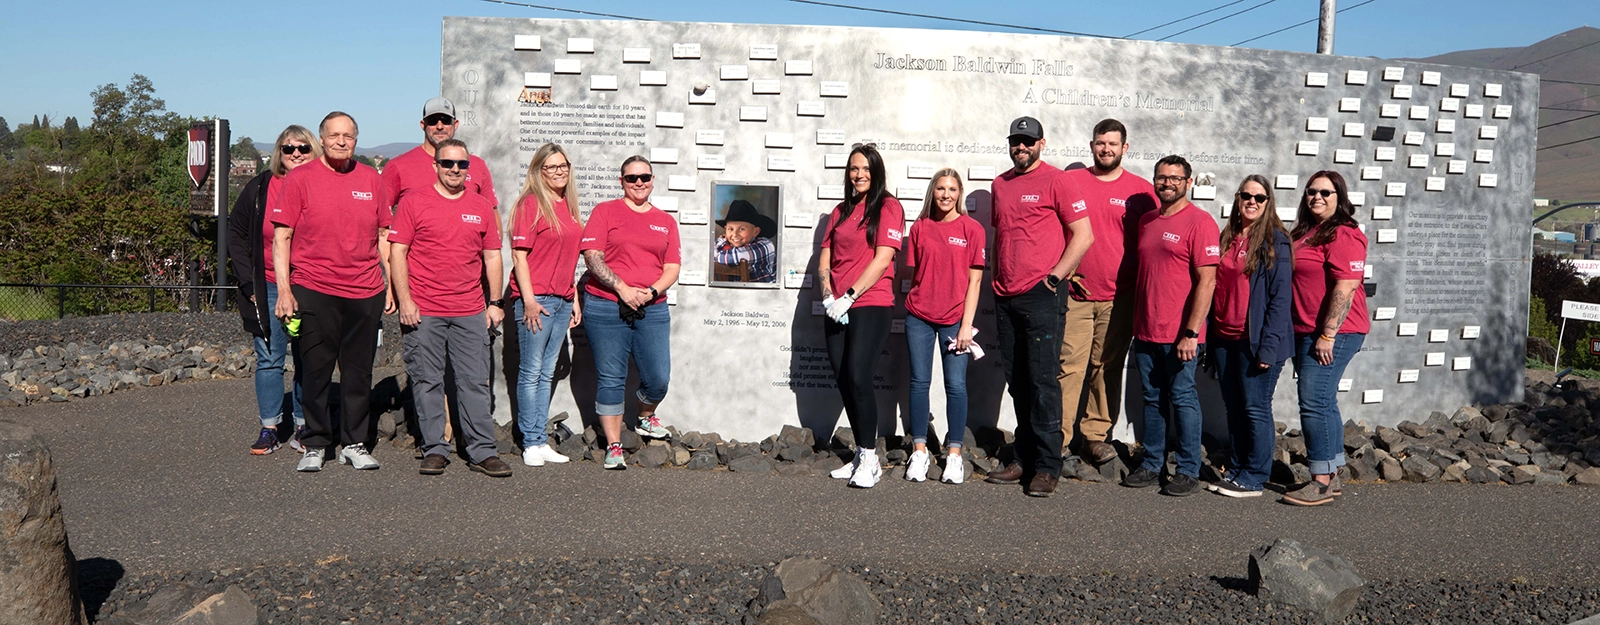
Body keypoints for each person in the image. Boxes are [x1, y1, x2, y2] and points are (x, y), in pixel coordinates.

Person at [271, 111, 393, 473]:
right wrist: (284, 290)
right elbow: (282, 236)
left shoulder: (371, 178)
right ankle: (316, 443)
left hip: (365, 289)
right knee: (315, 370)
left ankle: (354, 442)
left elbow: (384, 234)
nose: (341, 141)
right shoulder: (301, 179)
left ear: (357, 140)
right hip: (314, 288)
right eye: (335, 135)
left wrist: (389, 285)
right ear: (321, 139)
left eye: (349, 136)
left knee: (358, 373)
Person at [983, 117, 1093, 498]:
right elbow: (1003, 235)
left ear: (1041, 143)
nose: (1021, 147)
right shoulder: (1000, 184)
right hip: (1005, 295)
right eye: (1016, 141)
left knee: (1044, 382)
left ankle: (1047, 467)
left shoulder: (1058, 180)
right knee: (1019, 383)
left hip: (1041, 295)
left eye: (1028, 141)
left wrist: (1053, 279)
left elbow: (1084, 235)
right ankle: (1024, 458)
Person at [388, 139, 511, 478]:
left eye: (461, 164)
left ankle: (482, 451)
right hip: (424, 310)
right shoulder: (414, 203)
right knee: (427, 380)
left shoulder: (481, 206)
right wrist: (406, 300)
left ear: (469, 168)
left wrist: (495, 302)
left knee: (474, 382)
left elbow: (491, 256)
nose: (455, 170)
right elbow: (398, 252)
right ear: (435, 166)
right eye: (448, 163)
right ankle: (435, 448)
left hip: (469, 310)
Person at [1058, 119, 1158, 466]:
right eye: (1101, 143)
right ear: (1091, 145)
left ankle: (1095, 436)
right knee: (1069, 366)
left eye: (1113, 144)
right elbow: (1056, 231)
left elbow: (1153, 243)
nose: (1106, 149)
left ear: (1124, 148)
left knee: (1107, 367)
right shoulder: (1071, 182)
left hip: (1120, 296)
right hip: (1076, 294)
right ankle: (1058, 438)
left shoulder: (1142, 193)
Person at [1120, 155, 1219, 497]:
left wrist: (1191, 333)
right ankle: (1151, 464)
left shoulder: (1200, 222)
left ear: (1188, 182)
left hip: (1180, 335)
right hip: (1146, 330)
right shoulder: (1147, 221)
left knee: (1182, 398)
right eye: (1162, 178)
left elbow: (1207, 282)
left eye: (1175, 178)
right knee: (1152, 399)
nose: (1168, 183)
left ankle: (1188, 470)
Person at [580, 156, 681, 470]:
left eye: (645, 177)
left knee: (659, 378)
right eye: (631, 178)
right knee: (611, 378)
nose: (639, 183)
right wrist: (623, 289)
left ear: (653, 179)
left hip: (652, 306)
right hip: (607, 304)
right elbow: (592, 257)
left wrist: (650, 292)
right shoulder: (605, 212)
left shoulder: (665, 221)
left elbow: (672, 267)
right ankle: (613, 446)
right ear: (621, 181)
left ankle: (645, 417)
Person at [1282, 171, 1368, 506]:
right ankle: (1331, 473)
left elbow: (1345, 287)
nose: (1317, 197)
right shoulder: (1307, 233)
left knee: (1313, 400)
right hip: (1306, 331)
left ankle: (1318, 481)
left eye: (1325, 192)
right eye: (1311, 192)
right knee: (1324, 399)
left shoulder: (1344, 233)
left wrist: (1328, 334)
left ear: (1339, 197)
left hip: (1335, 333)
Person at [229, 125, 316, 455]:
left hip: (309, 283)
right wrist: (247, 282)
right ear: (279, 152)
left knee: (308, 356)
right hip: (265, 285)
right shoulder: (260, 187)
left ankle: (304, 425)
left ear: (314, 151)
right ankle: (269, 428)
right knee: (269, 357)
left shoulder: (321, 186)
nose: (295, 153)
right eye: (288, 148)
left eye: (303, 148)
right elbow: (235, 234)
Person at [822, 144, 904, 489]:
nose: (859, 175)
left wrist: (850, 295)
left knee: (858, 377)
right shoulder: (839, 211)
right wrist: (828, 295)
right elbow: (825, 257)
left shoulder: (888, 206)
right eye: (854, 169)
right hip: (835, 306)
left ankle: (870, 459)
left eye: (866, 169)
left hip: (870, 302)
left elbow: (883, 258)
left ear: (876, 172)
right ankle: (859, 454)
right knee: (844, 380)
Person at [1206, 175, 1292, 498]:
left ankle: (1255, 475)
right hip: (1225, 338)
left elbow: (1281, 300)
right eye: (1246, 196)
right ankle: (1239, 468)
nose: (1252, 202)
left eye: (1259, 197)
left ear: (1268, 203)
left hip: (1256, 341)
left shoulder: (1275, 242)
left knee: (1255, 407)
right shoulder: (1227, 236)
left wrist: (1269, 349)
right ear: (1238, 199)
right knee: (1234, 407)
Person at [902, 168, 985, 485]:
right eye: (940, 189)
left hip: (955, 321)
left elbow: (975, 282)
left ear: (960, 193)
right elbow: (915, 275)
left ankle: (953, 455)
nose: (946, 195)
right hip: (919, 316)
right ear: (932, 192)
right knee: (919, 383)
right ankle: (920, 450)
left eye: (951, 189)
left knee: (956, 386)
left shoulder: (972, 229)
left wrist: (967, 325)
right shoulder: (920, 227)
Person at [508, 143, 583, 467]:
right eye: (551, 167)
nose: (559, 172)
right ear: (539, 171)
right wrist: (528, 301)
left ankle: (539, 438)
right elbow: (518, 257)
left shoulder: (567, 205)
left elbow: (568, 259)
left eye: (563, 165)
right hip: (536, 300)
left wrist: (574, 298)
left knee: (547, 371)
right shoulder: (530, 205)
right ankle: (530, 441)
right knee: (531, 371)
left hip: (563, 299)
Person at [382, 97, 498, 207]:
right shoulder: (398, 166)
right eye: (432, 121)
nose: (439, 126)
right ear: (423, 125)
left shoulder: (477, 165)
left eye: (445, 120)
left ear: (455, 124)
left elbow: (492, 213)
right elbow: (382, 215)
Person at [713, 199, 778, 283]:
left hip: (762, 294)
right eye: (730, 229)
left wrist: (719, 243)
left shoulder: (765, 246)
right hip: (735, 293)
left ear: (755, 232)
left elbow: (729, 257)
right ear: (725, 229)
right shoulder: (730, 246)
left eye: (742, 229)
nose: (735, 234)